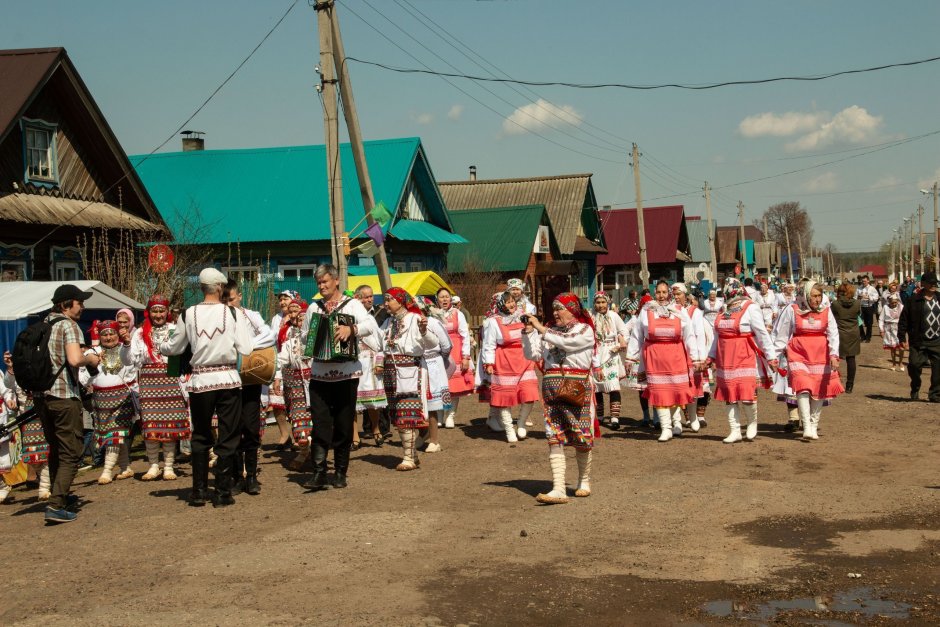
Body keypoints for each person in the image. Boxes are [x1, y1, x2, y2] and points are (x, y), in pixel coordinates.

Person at [160, 268, 253, 507]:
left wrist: (161, 344)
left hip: (200, 381)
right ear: (221, 288)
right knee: (228, 434)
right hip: (228, 379)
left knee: (200, 434)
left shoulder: (188, 313)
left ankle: (199, 491)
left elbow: (174, 347)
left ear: (201, 288)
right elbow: (246, 347)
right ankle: (222, 492)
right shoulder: (233, 313)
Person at [299, 264, 376, 491]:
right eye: (319, 283)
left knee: (343, 424)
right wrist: (311, 336)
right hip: (320, 374)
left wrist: (350, 330)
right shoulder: (314, 308)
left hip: (346, 373)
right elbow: (305, 337)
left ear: (336, 281)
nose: (322, 286)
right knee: (320, 424)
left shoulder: (351, 305)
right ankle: (320, 472)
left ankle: (340, 472)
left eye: (325, 282)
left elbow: (370, 325)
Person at [523, 293, 597, 505]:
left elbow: (569, 343)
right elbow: (533, 355)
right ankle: (558, 488)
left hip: (577, 388)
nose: (555, 312)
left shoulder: (584, 330)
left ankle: (583, 481)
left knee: (581, 436)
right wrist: (528, 333)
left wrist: (541, 329)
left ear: (572, 309)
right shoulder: (549, 331)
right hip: (552, 389)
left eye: (560, 308)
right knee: (554, 436)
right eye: (553, 308)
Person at [36, 284, 101, 524]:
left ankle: (60, 496)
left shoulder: (43, 325)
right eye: (79, 302)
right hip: (64, 396)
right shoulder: (68, 325)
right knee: (71, 452)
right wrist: (91, 358)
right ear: (65, 305)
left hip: (43, 398)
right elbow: (75, 359)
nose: (83, 306)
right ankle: (56, 505)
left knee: (56, 449)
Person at [120, 295, 190, 481]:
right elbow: (128, 360)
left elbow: (184, 353)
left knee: (170, 426)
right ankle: (153, 465)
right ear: (148, 312)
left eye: (161, 311)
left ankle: (168, 466)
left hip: (171, 379)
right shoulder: (140, 333)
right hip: (149, 382)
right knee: (150, 426)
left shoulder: (175, 330)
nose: (158, 314)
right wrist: (126, 344)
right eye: (154, 311)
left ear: (167, 312)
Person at [626, 281, 700, 442]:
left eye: (664, 292)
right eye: (658, 292)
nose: (661, 296)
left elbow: (689, 335)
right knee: (660, 392)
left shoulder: (679, 311)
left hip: (676, 355)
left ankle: (676, 423)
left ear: (669, 294)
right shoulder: (646, 311)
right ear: (654, 294)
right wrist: (630, 357)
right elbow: (637, 335)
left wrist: (694, 357)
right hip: (654, 356)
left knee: (675, 391)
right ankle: (666, 428)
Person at [706, 280, 777, 443]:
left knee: (747, 393)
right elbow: (716, 337)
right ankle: (735, 430)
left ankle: (752, 423)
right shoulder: (724, 309)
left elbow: (762, 333)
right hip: (725, 358)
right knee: (729, 395)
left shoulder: (750, 307)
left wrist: (771, 356)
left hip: (744, 356)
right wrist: (711, 356)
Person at [223, 280, 276, 496]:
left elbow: (270, 335)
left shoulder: (251, 315)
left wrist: (247, 347)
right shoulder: (219, 318)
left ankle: (252, 476)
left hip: (250, 379)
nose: (228, 303)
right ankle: (236, 476)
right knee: (232, 427)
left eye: (232, 299)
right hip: (227, 380)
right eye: (224, 299)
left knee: (251, 427)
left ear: (239, 296)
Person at [772, 281, 844, 440]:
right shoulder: (793, 309)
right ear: (805, 295)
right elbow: (782, 334)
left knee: (818, 390)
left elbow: (833, 333)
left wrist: (834, 355)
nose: (817, 300)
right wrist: (774, 357)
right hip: (798, 352)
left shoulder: (826, 309)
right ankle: (806, 425)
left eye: (819, 296)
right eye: (814, 296)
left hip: (820, 353)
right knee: (803, 387)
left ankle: (813, 423)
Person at [381, 287, 438, 471]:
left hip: (410, 371)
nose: (386, 303)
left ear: (400, 301)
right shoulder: (388, 322)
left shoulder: (415, 319)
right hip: (392, 372)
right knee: (397, 413)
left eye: (389, 299)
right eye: (386, 299)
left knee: (407, 412)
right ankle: (412, 454)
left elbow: (433, 343)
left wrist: (423, 331)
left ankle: (408, 458)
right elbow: (379, 343)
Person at [79, 320, 137, 484]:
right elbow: (83, 379)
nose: (109, 337)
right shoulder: (92, 352)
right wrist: (94, 364)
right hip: (101, 400)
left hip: (122, 397)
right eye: (105, 334)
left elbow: (133, 370)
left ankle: (107, 470)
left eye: (112, 333)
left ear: (118, 334)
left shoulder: (126, 349)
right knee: (117, 436)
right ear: (100, 336)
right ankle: (125, 467)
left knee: (115, 434)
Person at [481, 291, 539, 443]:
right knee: (505, 398)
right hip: (504, 361)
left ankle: (521, 423)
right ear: (500, 304)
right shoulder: (494, 322)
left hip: (524, 359)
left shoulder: (524, 316)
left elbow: (534, 335)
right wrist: (489, 363)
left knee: (529, 392)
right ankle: (509, 430)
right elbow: (489, 345)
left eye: (513, 300)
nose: (512, 304)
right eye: (507, 302)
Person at [276, 299, 313, 469]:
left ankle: (317, 453)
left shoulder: (316, 340)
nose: (300, 322)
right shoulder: (290, 342)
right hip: (296, 385)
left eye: (304, 319)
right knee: (299, 419)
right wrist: (276, 376)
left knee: (319, 420)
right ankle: (304, 452)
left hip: (316, 384)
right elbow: (280, 360)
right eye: (298, 320)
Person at [353, 286, 388, 447]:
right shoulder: (348, 317)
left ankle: (376, 429)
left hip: (371, 363)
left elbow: (381, 344)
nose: (369, 299)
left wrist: (380, 362)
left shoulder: (371, 318)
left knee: (373, 401)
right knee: (351, 402)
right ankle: (354, 436)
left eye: (371, 296)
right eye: (365, 297)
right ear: (357, 298)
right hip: (354, 363)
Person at [672, 283, 710, 431]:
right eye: (674, 295)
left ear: (685, 295)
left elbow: (699, 334)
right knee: (674, 387)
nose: (676, 297)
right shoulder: (669, 310)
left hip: (690, 352)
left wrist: (701, 358)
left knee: (692, 386)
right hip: (674, 351)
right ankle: (676, 421)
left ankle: (693, 416)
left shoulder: (694, 312)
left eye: (679, 294)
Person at [898, 271, 940, 402]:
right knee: (914, 365)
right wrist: (902, 338)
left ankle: (935, 394)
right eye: (931, 283)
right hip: (918, 340)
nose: (934, 286)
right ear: (923, 284)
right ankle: (915, 386)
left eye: (935, 283)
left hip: (937, 341)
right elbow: (904, 320)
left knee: (938, 369)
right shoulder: (913, 300)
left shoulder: (939, 298)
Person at [591, 292, 628, 429]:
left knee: (613, 387)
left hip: (611, 353)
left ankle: (614, 419)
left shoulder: (613, 316)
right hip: (596, 354)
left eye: (603, 302)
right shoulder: (591, 317)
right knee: (597, 388)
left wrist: (620, 341)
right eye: (598, 302)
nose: (600, 305)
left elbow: (624, 331)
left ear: (608, 303)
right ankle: (600, 417)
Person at [438, 288, 473, 428]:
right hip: (439, 352)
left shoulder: (458, 314)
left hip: (456, 350)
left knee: (454, 386)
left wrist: (465, 357)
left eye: (447, 296)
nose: (445, 299)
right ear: (437, 300)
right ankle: (439, 415)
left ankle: (451, 415)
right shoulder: (433, 315)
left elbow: (465, 335)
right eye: (441, 297)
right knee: (440, 385)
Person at [268, 290, 296, 449]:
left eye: (286, 299)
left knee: (295, 401)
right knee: (277, 401)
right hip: (279, 363)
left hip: (294, 363)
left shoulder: (299, 316)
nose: (283, 302)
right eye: (281, 299)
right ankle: (284, 434)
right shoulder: (276, 318)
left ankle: (299, 433)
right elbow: (272, 339)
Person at [832, 283, 861, 393]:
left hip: (839, 332)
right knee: (851, 359)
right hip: (853, 333)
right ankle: (849, 385)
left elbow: (832, 317)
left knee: (834, 357)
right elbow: (859, 315)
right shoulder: (858, 303)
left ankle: (835, 382)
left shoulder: (835, 304)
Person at [879, 294, 904, 371]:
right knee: (893, 348)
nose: (894, 304)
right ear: (889, 302)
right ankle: (893, 363)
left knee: (901, 347)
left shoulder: (901, 307)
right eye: (892, 302)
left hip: (899, 328)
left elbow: (906, 317)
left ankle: (900, 362)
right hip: (889, 329)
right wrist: (881, 330)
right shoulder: (885, 307)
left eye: (895, 302)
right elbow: (881, 319)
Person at [857, 276, 879, 343]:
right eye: (862, 281)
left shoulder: (872, 289)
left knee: (869, 323)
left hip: (869, 306)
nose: (863, 282)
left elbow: (876, 298)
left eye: (865, 281)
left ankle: (868, 337)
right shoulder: (859, 288)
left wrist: (868, 297)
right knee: (859, 322)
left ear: (868, 281)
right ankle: (862, 336)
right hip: (861, 307)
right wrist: (858, 297)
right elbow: (855, 297)